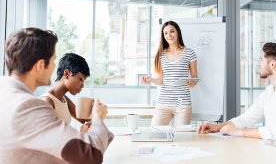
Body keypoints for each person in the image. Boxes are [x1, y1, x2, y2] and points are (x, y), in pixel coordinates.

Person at [0, 28, 114, 163]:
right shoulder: (27, 106)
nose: (55, 67)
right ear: (41, 65)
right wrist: (98, 118)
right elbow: (90, 156)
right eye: (53, 60)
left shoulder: (7, 96)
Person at [198, 42, 276, 148]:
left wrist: (239, 132)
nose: (258, 64)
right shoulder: (269, 91)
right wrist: (218, 127)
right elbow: (247, 118)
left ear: (272, 64)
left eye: (261, 59)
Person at [141, 21, 198, 126]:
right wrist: (151, 80)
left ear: (178, 33)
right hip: (163, 103)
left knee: (181, 137)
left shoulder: (190, 53)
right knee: (155, 134)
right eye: (165, 33)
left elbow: (195, 78)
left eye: (172, 31)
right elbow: (161, 80)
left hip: (182, 105)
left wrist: (192, 83)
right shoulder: (161, 55)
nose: (169, 35)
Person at [40, 53, 91, 133]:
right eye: (80, 79)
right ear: (66, 73)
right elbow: (47, 139)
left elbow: (84, 120)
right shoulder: (47, 101)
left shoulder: (63, 98)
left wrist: (96, 112)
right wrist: (82, 135)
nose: (82, 85)